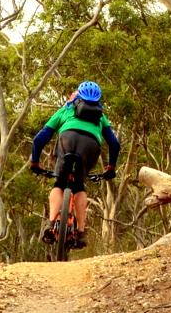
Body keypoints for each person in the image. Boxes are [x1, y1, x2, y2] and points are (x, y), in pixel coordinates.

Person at [29, 81, 120, 249]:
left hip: (67, 140)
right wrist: (111, 168)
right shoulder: (101, 116)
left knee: (59, 184)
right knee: (79, 187)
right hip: (90, 146)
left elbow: (40, 138)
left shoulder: (66, 109)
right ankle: (80, 232)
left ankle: (50, 224)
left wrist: (35, 162)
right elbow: (114, 144)